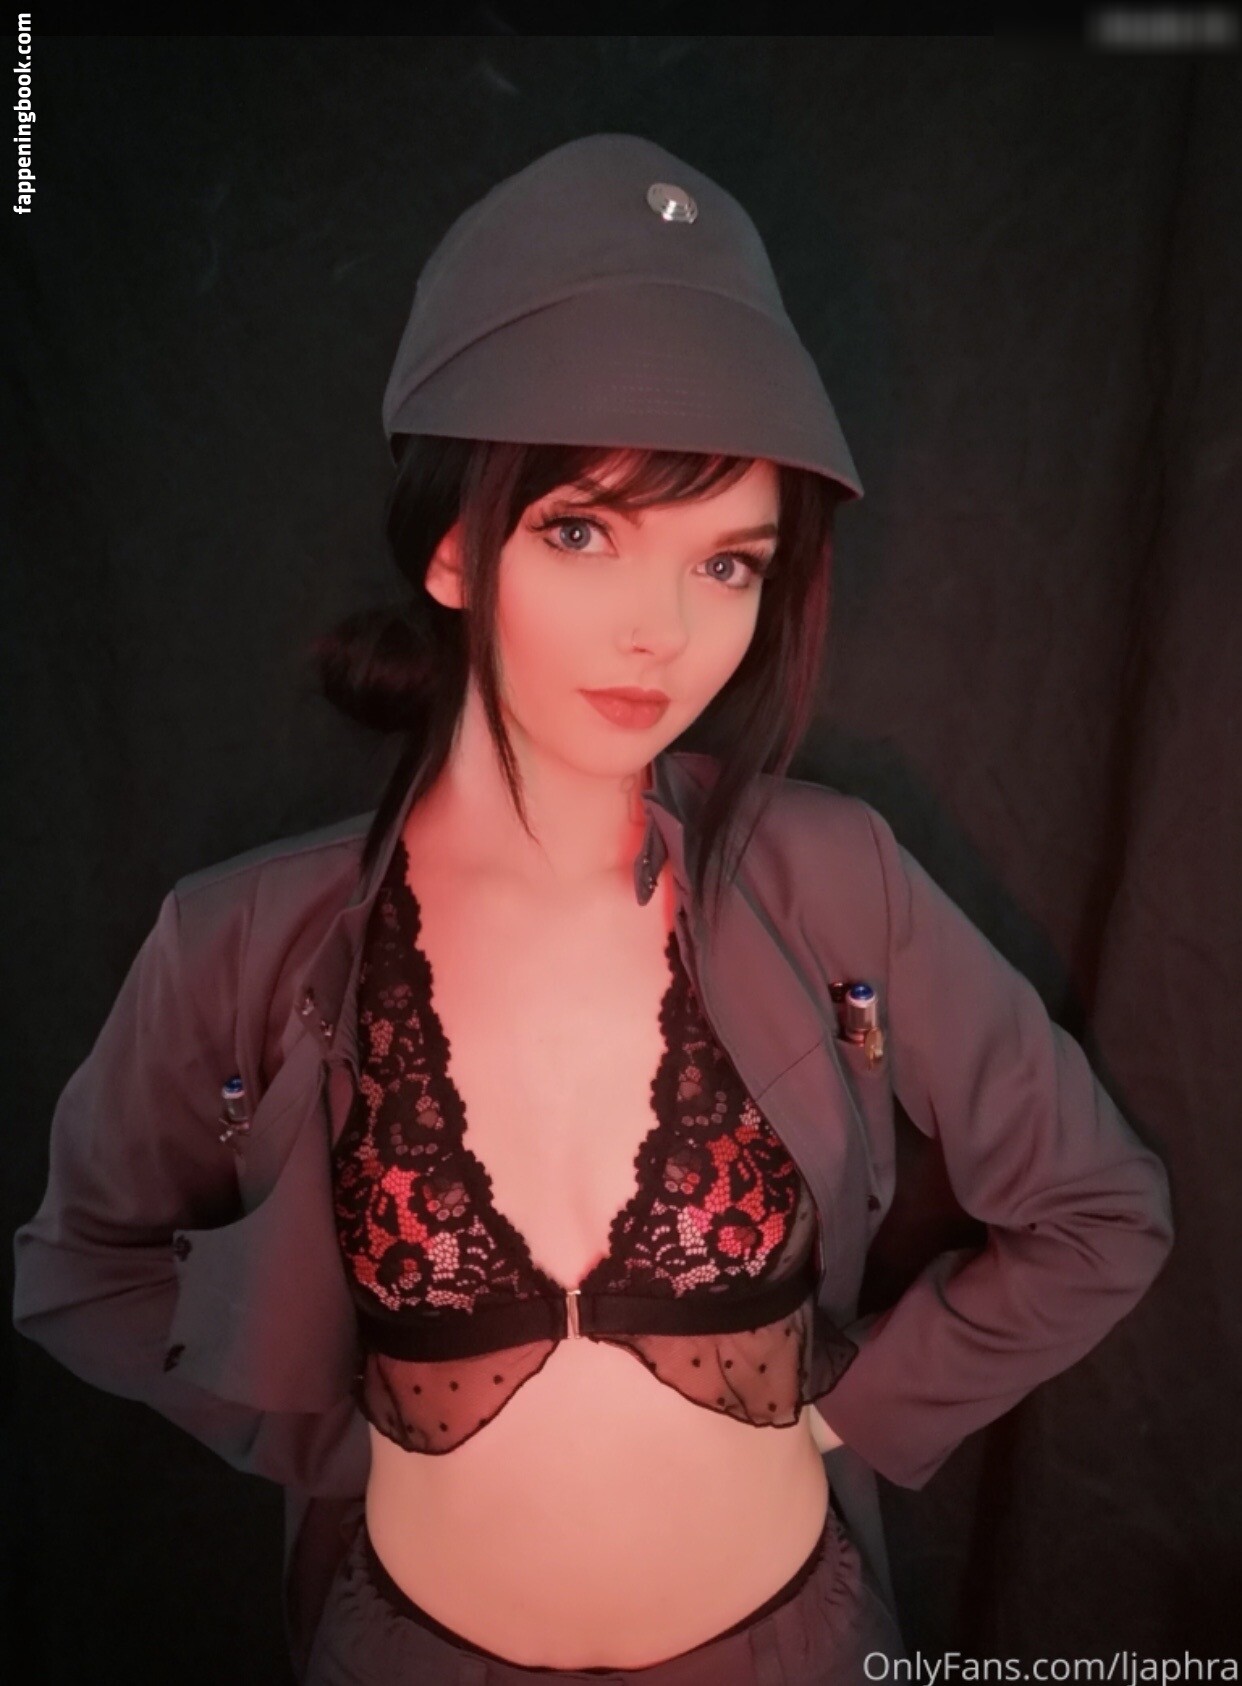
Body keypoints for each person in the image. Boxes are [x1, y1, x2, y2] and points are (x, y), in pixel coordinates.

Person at [12, 135, 1175, 1686]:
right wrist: (321, 1432)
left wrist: (854, 1409)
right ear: (452, 548)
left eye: (728, 563)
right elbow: (80, 1267)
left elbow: (1097, 1212)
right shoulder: (245, 941)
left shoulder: (830, 877)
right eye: (582, 531)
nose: (662, 629)